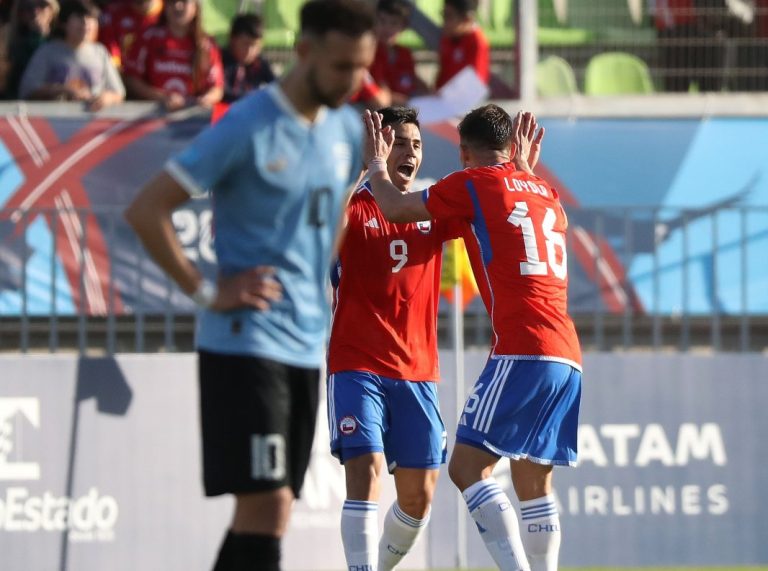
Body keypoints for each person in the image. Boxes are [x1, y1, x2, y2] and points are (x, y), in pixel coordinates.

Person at [124, 1, 375, 569]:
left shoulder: (340, 128)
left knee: (272, 510)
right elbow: (147, 209)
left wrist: (313, 284)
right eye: (342, 67)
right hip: (245, 342)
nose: (354, 81)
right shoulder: (248, 123)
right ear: (304, 51)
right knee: (264, 502)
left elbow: (331, 213)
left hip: (305, 344)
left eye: (362, 67)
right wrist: (208, 291)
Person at [363, 104, 580, 571]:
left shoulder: (472, 183)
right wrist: (524, 170)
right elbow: (517, 204)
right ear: (511, 148)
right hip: (568, 355)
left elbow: (397, 207)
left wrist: (377, 164)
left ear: (464, 152)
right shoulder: (546, 191)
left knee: (466, 467)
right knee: (532, 479)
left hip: (523, 348)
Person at [327, 106, 456, 571]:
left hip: (418, 371)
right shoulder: (353, 205)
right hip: (357, 363)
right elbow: (318, 230)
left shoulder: (432, 209)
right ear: (381, 146)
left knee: (419, 498)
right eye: (400, 142)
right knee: (366, 473)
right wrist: (362, 167)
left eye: (417, 145)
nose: (410, 153)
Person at [19, 0, 125, 110]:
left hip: (94, 123)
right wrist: (62, 90)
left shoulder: (100, 52)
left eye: (90, 18)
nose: (85, 23)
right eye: (79, 17)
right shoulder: (47, 51)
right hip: (54, 122)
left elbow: (119, 92)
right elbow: (27, 89)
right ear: (63, 23)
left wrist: (106, 98)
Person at [122, 0, 224, 111]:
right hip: (152, 116)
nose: (177, 6)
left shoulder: (207, 44)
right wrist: (162, 97)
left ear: (196, 7)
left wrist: (207, 99)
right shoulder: (148, 37)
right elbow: (131, 79)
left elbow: (217, 87)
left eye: (184, 2)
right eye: (172, 1)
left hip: (193, 120)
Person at [369, 0, 426, 104]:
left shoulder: (405, 52)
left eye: (394, 23)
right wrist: (410, 102)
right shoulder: (372, 53)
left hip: (410, 101)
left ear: (403, 27)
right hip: (389, 107)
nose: (387, 28)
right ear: (374, 21)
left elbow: (414, 79)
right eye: (382, 21)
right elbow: (380, 91)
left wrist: (428, 92)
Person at [0, 0, 58, 98]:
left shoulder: (64, 38)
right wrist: (36, 36)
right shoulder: (8, 36)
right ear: (19, 13)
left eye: (42, 5)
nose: (35, 11)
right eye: (27, 7)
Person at [220, 13, 275, 104]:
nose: (250, 51)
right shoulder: (220, 60)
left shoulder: (260, 64)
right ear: (233, 40)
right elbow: (222, 91)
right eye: (245, 44)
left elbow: (276, 87)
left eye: (254, 45)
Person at [435, 0, 489, 90]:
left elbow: (475, 85)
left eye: (449, 16)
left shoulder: (477, 43)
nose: (444, 22)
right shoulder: (447, 38)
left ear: (467, 19)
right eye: (443, 14)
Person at [98, 0, 162, 70]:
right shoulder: (114, 13)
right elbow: (110, 45)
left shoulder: (169, 10)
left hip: (159, 71)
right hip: (124, 71)